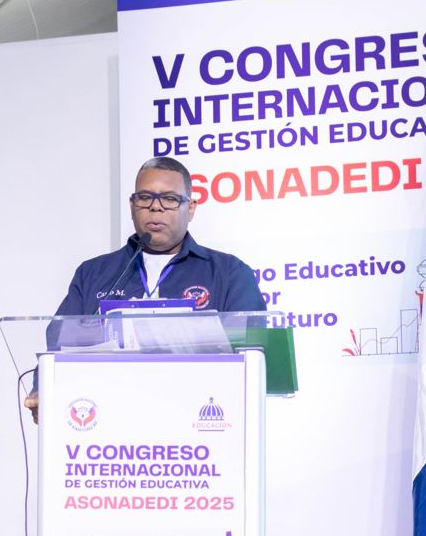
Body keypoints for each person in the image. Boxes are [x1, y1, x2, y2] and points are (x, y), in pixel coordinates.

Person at [24, 156, 265, 421]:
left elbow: (253, 352)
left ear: (191, 208)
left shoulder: (229, 273)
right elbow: (59, 343)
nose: (155, 207)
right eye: (145, 197)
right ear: (132, 205)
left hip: (198, 422)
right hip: (109, 421)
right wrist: (42, 387)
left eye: (170, 199)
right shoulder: (94, 273)